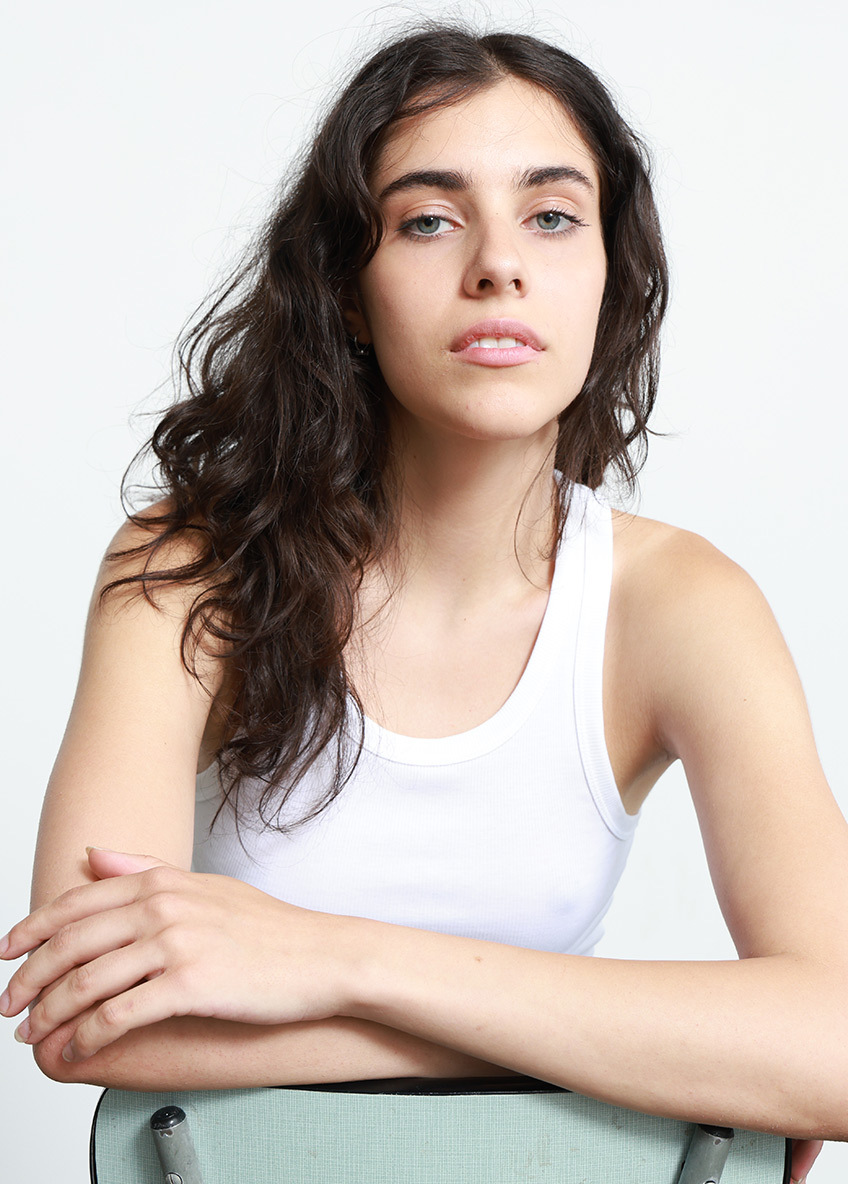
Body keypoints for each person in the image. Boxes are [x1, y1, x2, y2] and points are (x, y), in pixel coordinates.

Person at [0, 25, 842, 1182]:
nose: (497, 265)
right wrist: (646, 1048)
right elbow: (88, 1010)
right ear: (347, 292)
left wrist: (330, 959)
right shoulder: (192, 568)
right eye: (428, 219)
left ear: (608, 276)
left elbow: (832, 1045)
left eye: (552, 216)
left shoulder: (680, 603)